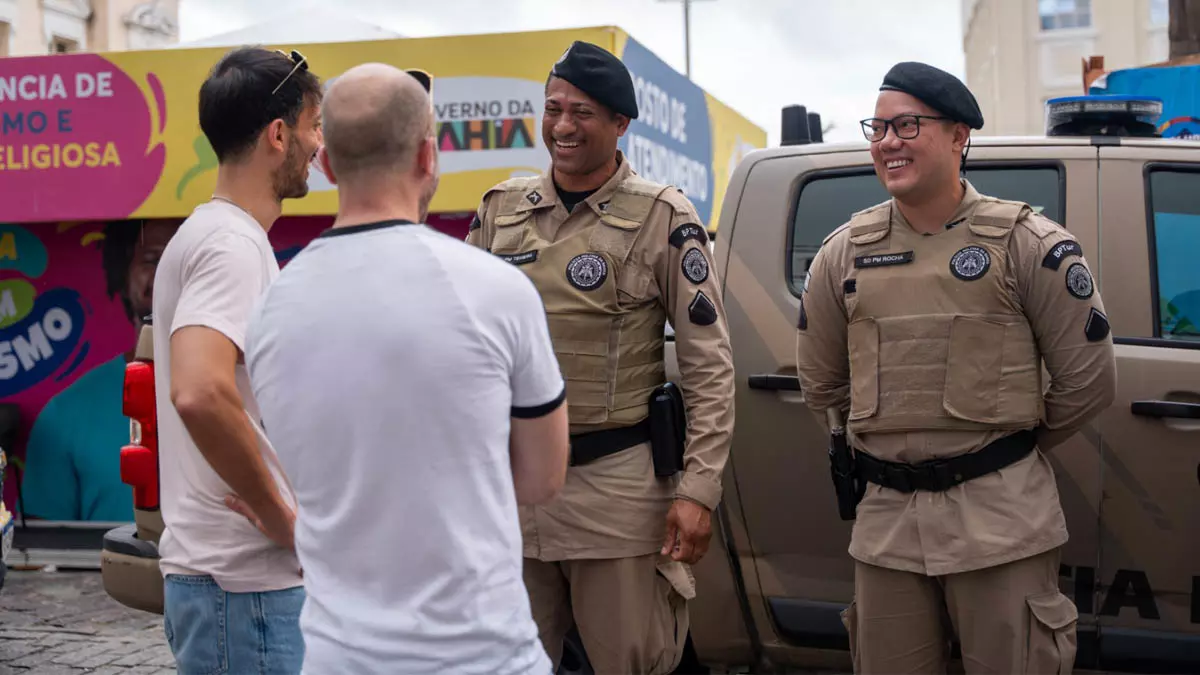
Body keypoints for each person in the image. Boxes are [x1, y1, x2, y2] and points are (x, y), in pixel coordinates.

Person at [241, 63, 569, 674]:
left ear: (328, 165)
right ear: (428, 156)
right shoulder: (496, 291)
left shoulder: (270, 310)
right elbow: (543, 477)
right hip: (483, 655)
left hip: (338, 656)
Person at [795, 61, 1118, 674]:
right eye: (878, 128)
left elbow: (1089, 381)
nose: (888, 142)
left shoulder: (1028, 245)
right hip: (887, 529)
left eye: (907, 125)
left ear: (959, 136)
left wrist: (1002, 448)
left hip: (1001, 525)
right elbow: (823, 385)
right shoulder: (843, 255)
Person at [466, 40, 736, 674]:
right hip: (512, 493)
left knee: (631, 662)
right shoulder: (500, 211)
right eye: (553, 107)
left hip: (616, 496)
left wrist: (698, 490)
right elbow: (462, 345)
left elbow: (709, 366)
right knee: (506, 663)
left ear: (620, 124)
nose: (562, 126)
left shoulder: (663, 216)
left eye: (582, 112)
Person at [150, 46, 322, 675]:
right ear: (279, 135)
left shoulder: (216, 234)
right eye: (313, 126)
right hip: (241, 587)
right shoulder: (231, 246)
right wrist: (286, 523)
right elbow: (198, 390)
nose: (318, 145)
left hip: (228, 588)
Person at [22, 218, 180, 522]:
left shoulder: (249, 398)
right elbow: (43, 557)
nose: (168, 273)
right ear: (123, 274)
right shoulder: (64, 414)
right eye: (153, 259)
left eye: (185, 260)